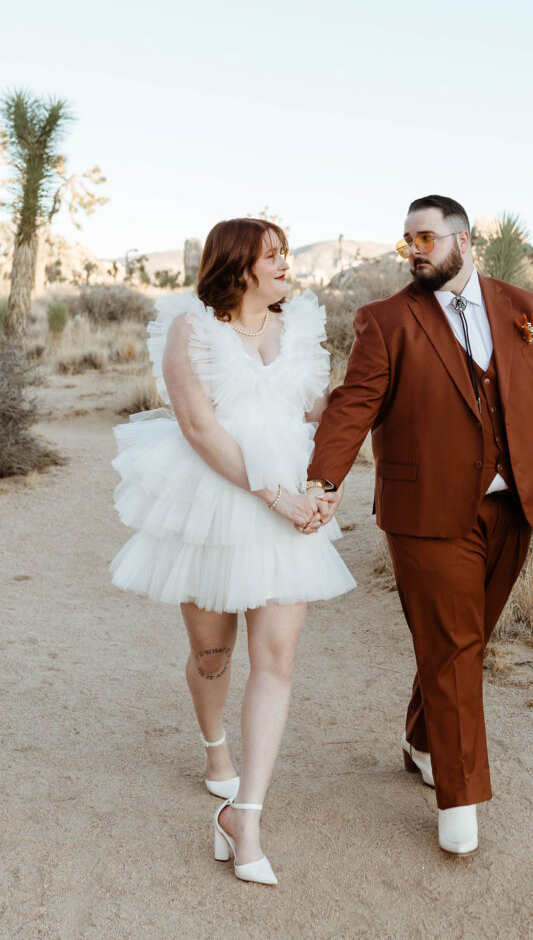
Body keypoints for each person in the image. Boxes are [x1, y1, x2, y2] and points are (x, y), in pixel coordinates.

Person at [305, 194, 533, 856]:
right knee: (452, 645)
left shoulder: (527, 311)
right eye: (406, 242)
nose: (413, 251)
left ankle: (421, 739)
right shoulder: (384, 319)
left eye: (424, 238)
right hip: (424, 513)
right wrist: (323, 482)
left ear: (464, 240)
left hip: (514, 507)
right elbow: (353, 405)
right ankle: (460, 799)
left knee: (463, 641)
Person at [110, 218, 355, 885]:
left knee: (276, 657)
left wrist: (334, 454)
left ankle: (243, 816)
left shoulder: (298, 328)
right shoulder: (192, 329)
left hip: (290, 506)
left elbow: (314, 411)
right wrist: (273, 493)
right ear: (238, 265)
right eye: (272, 256)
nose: (285, 266)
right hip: (216, 498)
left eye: (284, 254)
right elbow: (196, 426)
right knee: (213, 654)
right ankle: (214, 747)